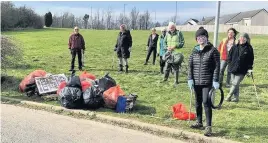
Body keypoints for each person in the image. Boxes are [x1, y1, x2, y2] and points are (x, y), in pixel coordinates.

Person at [188, 27, 220, 136]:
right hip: (196, 82)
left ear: (206, 38)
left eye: (203, 36)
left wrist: (215, 80)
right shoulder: (194, 51)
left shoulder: (213, 50)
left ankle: (208, 127)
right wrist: (190, 78)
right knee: (197, 102)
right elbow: (190, 66)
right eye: (198, 37)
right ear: (196, 39)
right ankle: (199, 122)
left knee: (206, 102)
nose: (201, 39)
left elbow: (217, 66)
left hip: (207, 81)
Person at [225, 33, 254, 102]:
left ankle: (228, 96)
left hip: (242, 69)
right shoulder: (234, 47)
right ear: (238, 38)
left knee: (235, 83)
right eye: (241, 37)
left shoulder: (249, 48)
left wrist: (250, 69)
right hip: (233, 68)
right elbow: (229, 56)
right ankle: (236, 98)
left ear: (247, 39)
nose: (242, 39)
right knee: (234, 84)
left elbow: (251, 59)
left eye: (244, 38)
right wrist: (229, 63)